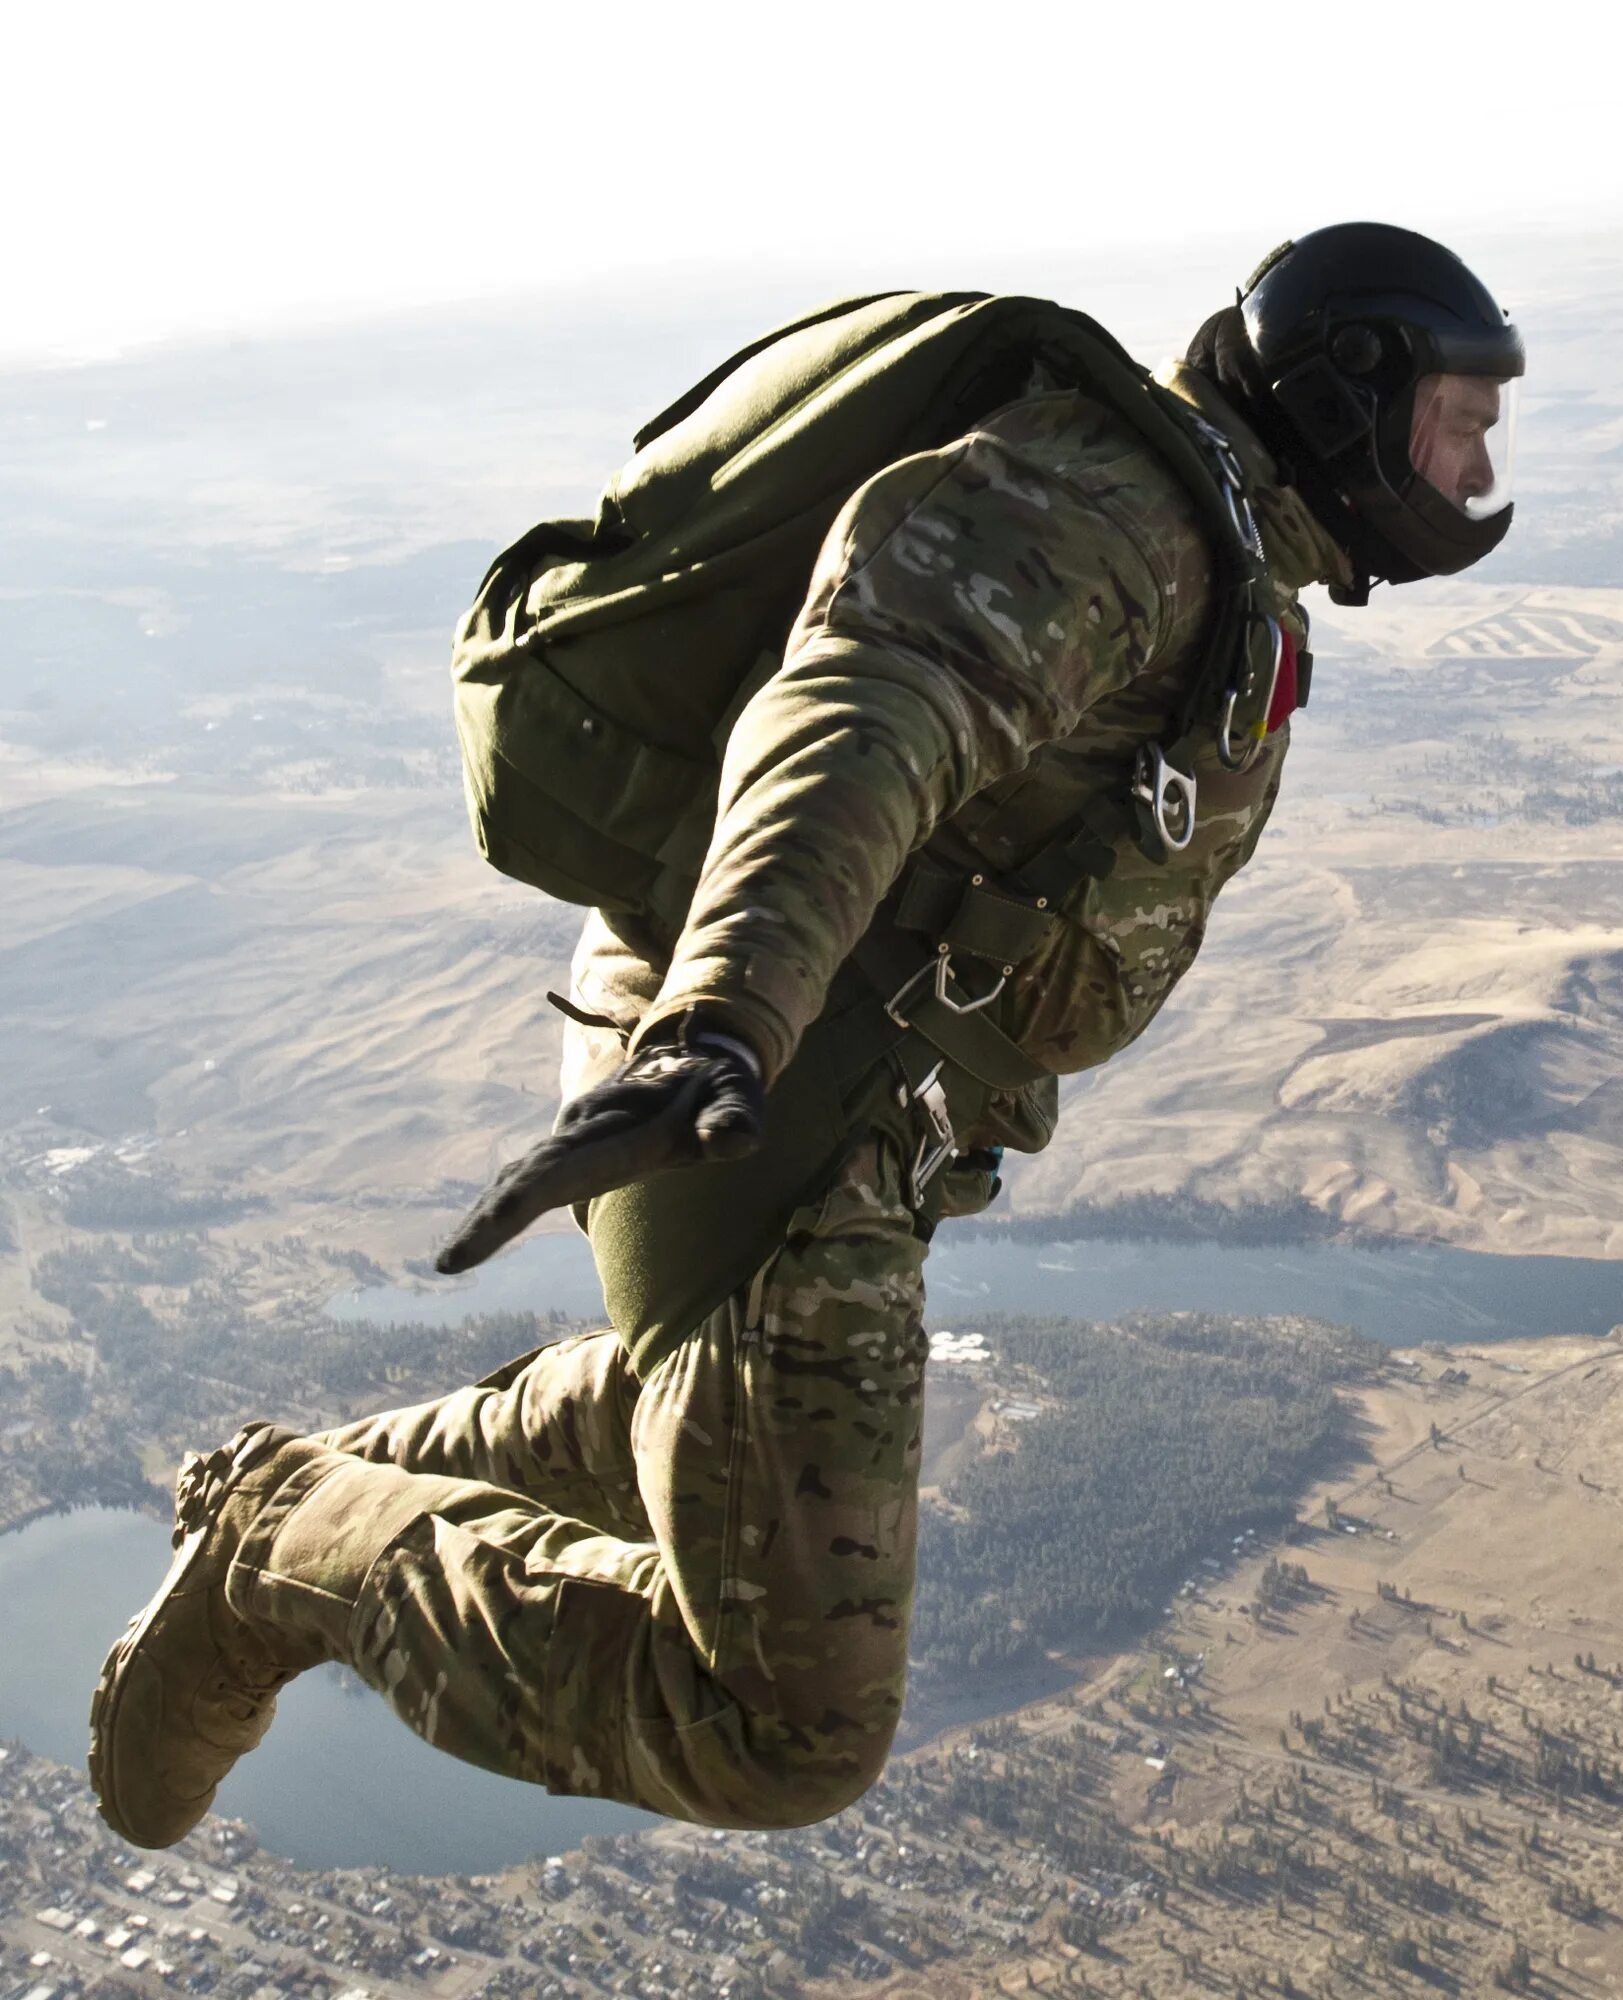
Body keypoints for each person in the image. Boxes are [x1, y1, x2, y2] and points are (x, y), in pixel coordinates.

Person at [89, 222, 1524, 1844]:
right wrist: (723, 1026)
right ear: (1347, 393)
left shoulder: (1206, 550)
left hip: (817, 1099)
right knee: (779, 1731)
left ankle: (330, 1493)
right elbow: (862, 708)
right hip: (756, 1095)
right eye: (1459, 418)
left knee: (689, 1407)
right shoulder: (1118, 516)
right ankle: (286, 1549)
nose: (1477, 466)